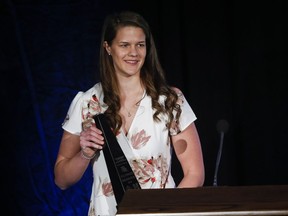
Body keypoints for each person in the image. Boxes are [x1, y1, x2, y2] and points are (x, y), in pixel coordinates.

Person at [54, 10, 205, 216]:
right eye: (124, 45)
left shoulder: (169, 100)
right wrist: (85, 154)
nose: (133, 52)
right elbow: (61, 180)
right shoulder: (87, 103)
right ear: (108, 47)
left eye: (140, 45)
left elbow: (194, 173)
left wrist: (167, 211)